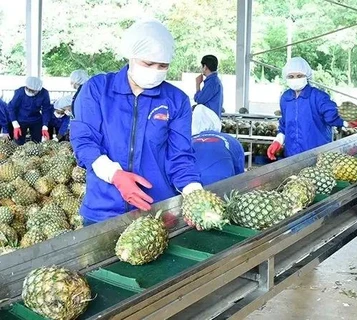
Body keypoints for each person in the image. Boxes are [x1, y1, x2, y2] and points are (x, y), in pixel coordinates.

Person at [70, 19, 202, 226]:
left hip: (157, 210)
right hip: (103, 210)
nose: (155, 70)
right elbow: (84, 141)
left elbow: (180, 157)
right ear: (131, 56)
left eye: (163, 66)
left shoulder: (176, 100)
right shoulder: (97, 90)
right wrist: (114, 174)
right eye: (148, 63)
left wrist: (194, 194)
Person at [267, 57, 357, 160]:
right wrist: (278, 141)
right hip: (292, 157)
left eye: (299, 75)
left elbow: (332, 115)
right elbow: (284, 124)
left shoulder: (318, 97)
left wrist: (349, 120)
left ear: (306, 76)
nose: (295, 79)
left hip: (318, 156)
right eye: (291, 76)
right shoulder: (285, 98)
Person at [192, 104, 244, 186]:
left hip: (192, 183)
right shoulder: (232, 140)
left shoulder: (188, 141)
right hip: (223, 183)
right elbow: (240, 174)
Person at [8, 77, 51, 145]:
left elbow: (46, 110)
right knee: (18, 141)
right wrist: (15, 124)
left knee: (38, 141)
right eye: (29, 90)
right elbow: (11, 107)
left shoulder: (44, 93)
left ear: (39, 90)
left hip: (36, 119)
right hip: (21, 119)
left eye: (34, 91)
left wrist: (45, 126)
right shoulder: (20, 92)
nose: (31, 93)